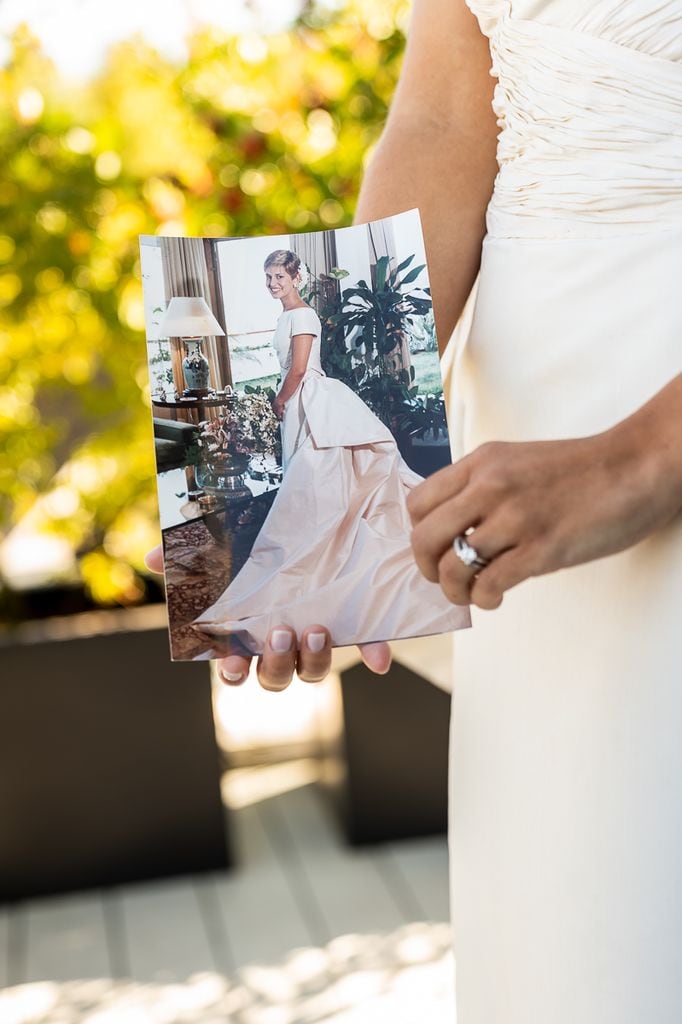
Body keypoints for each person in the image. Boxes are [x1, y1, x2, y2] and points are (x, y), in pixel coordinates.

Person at [144, 1, 682, 1017]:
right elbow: (440, 117)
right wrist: (289, 512)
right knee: (579, 935)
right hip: (519, 453)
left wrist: (639, 459)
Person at [189, 248, 469, 656]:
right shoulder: (286, 316)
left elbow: (300, 368)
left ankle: (323, 551)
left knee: (313, 481)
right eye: (268, 278)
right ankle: (316, 544)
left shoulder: (301, 316)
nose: (273, 284)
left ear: (296, 277)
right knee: (308, 485)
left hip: (308, 399)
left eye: (279, 277)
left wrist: (279, 401)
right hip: (300, 401)